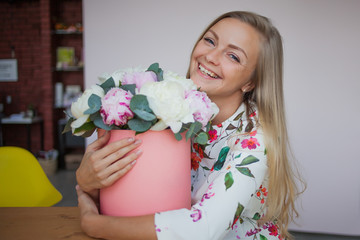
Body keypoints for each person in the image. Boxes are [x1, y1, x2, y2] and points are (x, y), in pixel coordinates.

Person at [76, 11, 303, 240]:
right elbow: (139, 191)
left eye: (233, 56)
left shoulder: (255, 141)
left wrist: (93, 223)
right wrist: (88, 182)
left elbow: (202, 229)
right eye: (210, 40)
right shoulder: (171, 111)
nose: (211, 57)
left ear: (250, 82)